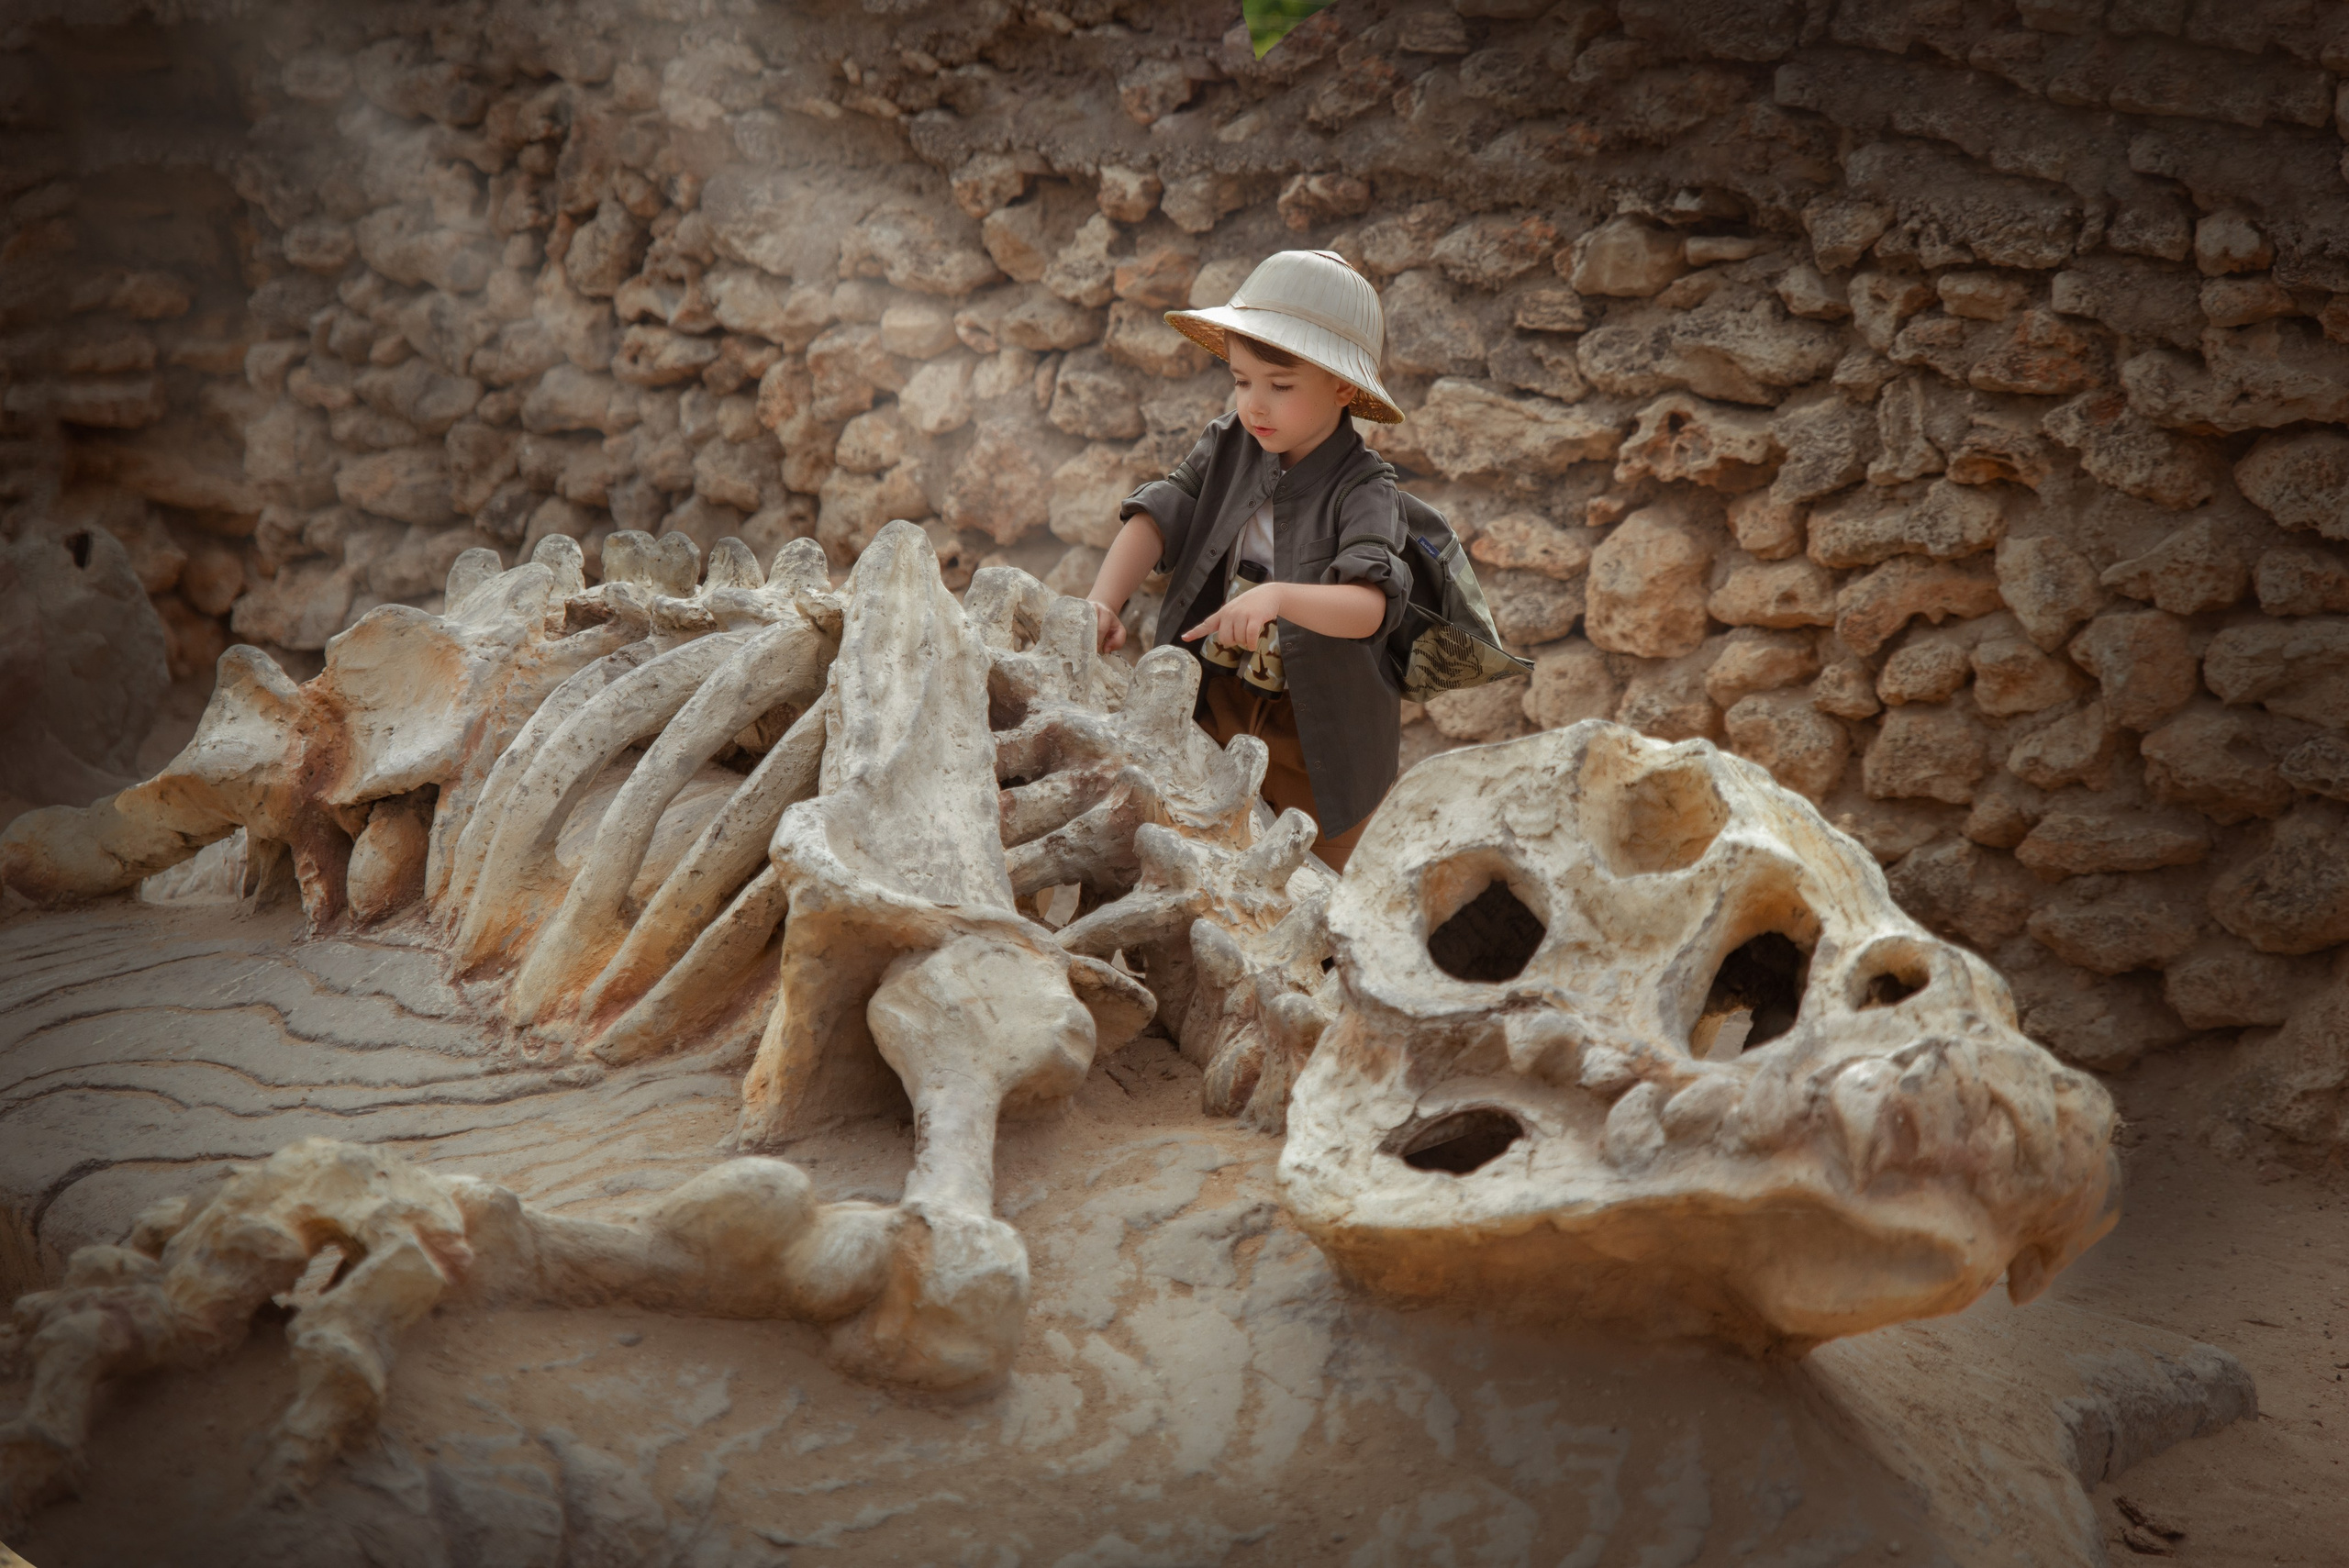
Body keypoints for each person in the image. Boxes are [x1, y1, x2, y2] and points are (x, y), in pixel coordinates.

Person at [1082, 249, 1409, 873]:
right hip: (1217, 703)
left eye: (1280, 386)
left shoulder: (1366, 488)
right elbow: (1160, 513)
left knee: (1312, 886)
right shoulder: (1228, 443)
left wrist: (1279, 597)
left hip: (1321, 741)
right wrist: (1104, 600)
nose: (1254, 405)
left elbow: (1369, 606)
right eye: (1241, 380)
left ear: (1344, 387)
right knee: (1188, 856)